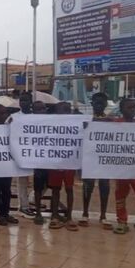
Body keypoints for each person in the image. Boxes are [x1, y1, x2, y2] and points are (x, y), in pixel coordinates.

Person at [112, 98, 135, 234]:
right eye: (129, 107)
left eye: (134, 107)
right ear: (121, 110)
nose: (133, 109)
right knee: (120, 194)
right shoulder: (114, 125)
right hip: (121, 169)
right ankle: (122, 221)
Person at [79, 92, 112, 229]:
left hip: (104, 158)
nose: (99, 105)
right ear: (92, 104)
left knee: (104, 185)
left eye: (101, 103)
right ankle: (85, 213)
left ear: (105, 104)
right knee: (88, 185)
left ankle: (103, 215)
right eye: (96, 102)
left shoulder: (111, 121)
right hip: (89, 157)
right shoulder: (85, 120)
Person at [47, 102, 77, 231]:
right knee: (55, 189)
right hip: (55, 161)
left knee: (69, 189)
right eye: (61, 110)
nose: (64, 113)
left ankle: (69, 216)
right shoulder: (51, 125)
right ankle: (54, 216)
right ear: (56, 112)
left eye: (67, 110)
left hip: (69, 161)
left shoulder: (76, 124)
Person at [9, 92, 34, 218]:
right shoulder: (13, 117)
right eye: (21, 100)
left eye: (26, 100)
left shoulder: (37, 116)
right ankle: (23, 206)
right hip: (20, 153)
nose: (23, 103)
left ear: (31, 101)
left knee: (45, 178)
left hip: (36, 153)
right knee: (22, 180)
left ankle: (32, 198)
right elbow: (4, 130)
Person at [30, 100, 49, 225]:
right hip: (37, 160)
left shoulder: (52, 122)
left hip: (51, 159)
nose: (41, 111)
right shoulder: (27, 123)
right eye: (38, 109)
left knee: (50, 185)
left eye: (43, 109)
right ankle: (37, 212)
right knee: (38, 187)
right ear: (33, 111)